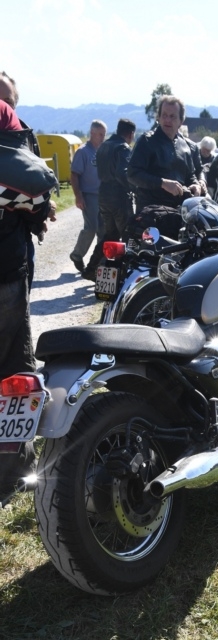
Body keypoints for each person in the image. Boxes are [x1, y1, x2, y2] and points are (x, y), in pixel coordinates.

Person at [0, 100, 55, 502]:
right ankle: (13, 470)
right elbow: (37, 194)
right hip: (6, 273)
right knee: (14, 371)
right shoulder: (6, 114)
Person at [0, 70, 56, 289]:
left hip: (18, 243)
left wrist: (43, 208)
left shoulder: (26, 135)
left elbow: (33, 184)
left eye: (7, 101)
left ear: (15, 104)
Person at [127, 95, 204, 213]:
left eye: (172, 116)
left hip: (178, 213)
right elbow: (132, 174)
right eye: (164, 115)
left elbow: (190, 175)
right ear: (158, 117)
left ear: (181, 120)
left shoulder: (185, 145)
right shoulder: (147, 141)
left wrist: (195, 185)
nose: (167, 120)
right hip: (150, 213)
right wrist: (162, 183)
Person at [69, 119, 107, 276]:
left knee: (103, 230)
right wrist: (78, 196)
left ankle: (99, 263)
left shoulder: (102, 151)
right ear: (92, 133)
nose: (103, 137)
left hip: (103, 195)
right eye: (100, 134)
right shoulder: (83, 152)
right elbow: (74, 174)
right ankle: (77, 255)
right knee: (91, 228)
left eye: (104, 134)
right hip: (89, 195)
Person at [96, 118, 136, 243]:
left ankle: (101, 255)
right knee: (128, 234)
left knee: (110, 235)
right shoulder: (123, 148)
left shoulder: (103, 146)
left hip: (103, 195)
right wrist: (135, 189)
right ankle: (126, 256)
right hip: (119, 196)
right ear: (131, 134)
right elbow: (122, 173)